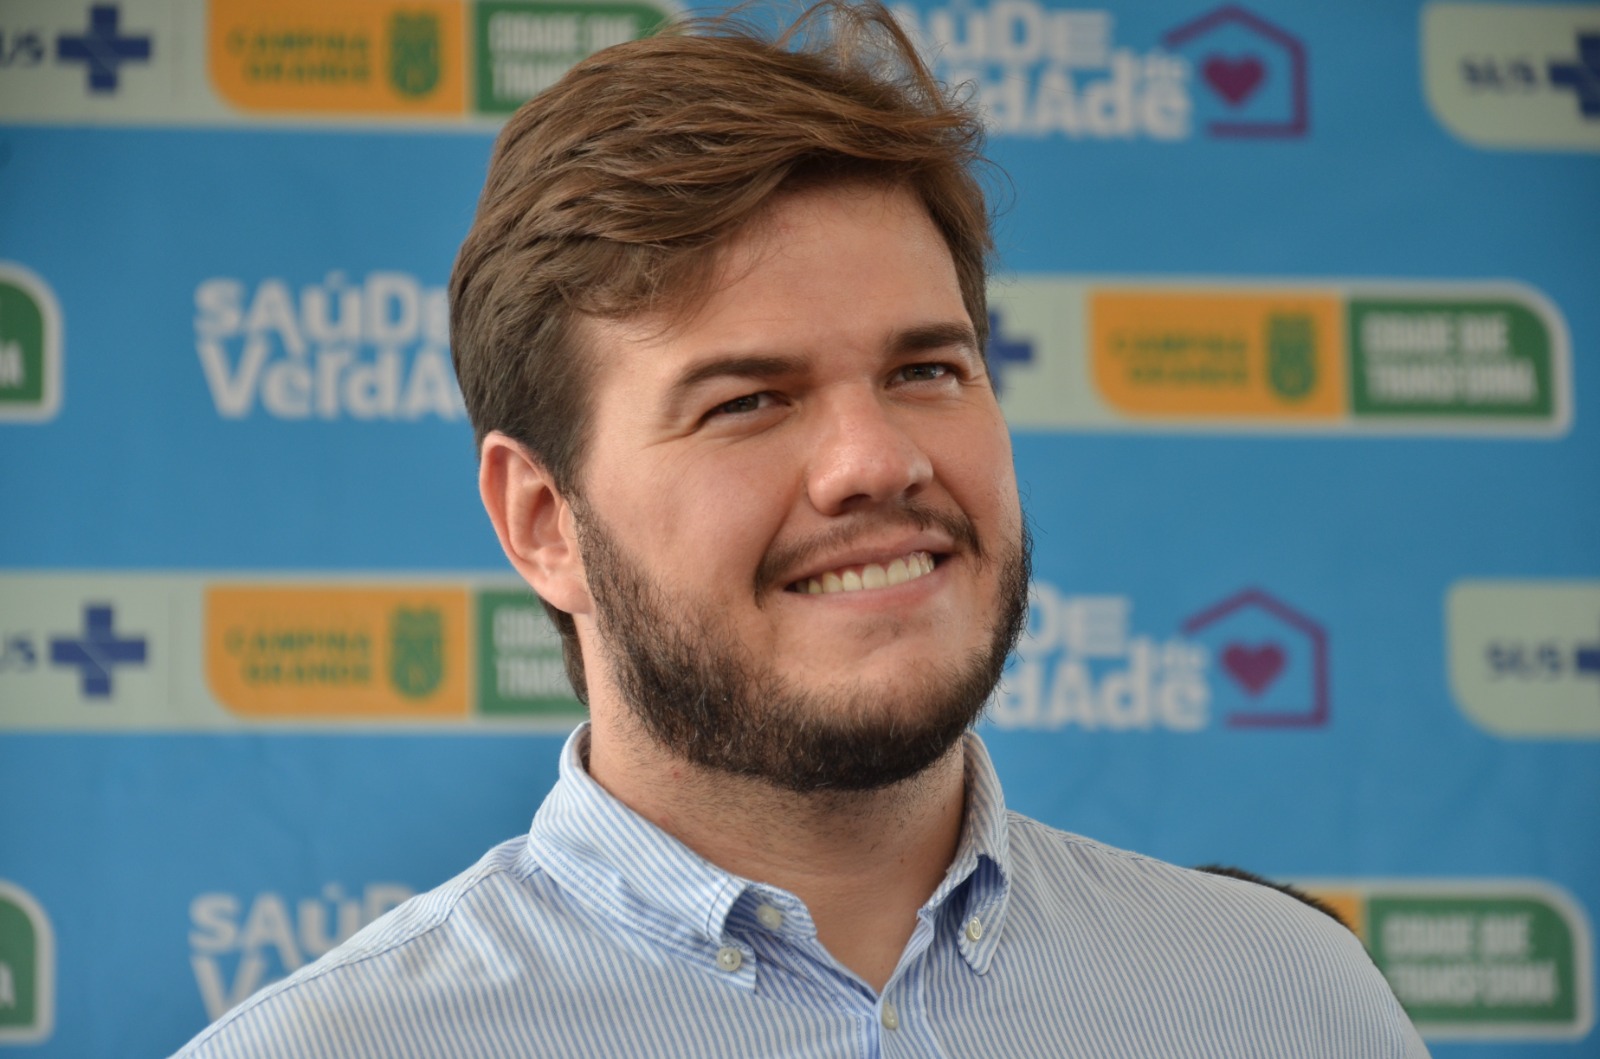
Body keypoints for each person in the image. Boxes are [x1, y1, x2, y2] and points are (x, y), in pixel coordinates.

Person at [174, 2, 1428, 1055]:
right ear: (544, 523)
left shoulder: (1290, 1007)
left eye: (926, 370)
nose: (875, 462)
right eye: (748, 401)